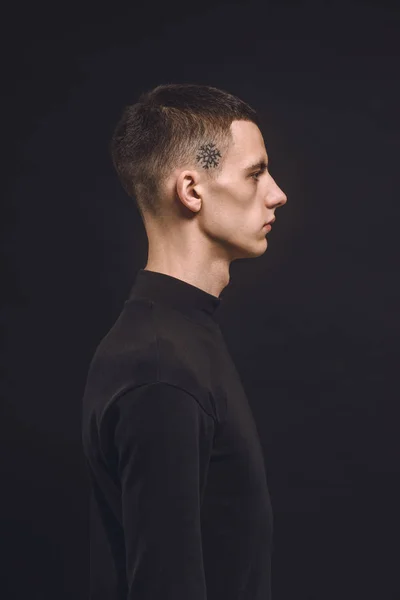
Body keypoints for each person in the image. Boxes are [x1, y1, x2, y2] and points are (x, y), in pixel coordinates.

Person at [81, 83, 288, 600]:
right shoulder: (161, 369)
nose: (277, 193)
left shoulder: (181, 338)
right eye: (256, 173)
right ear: (192, 191)